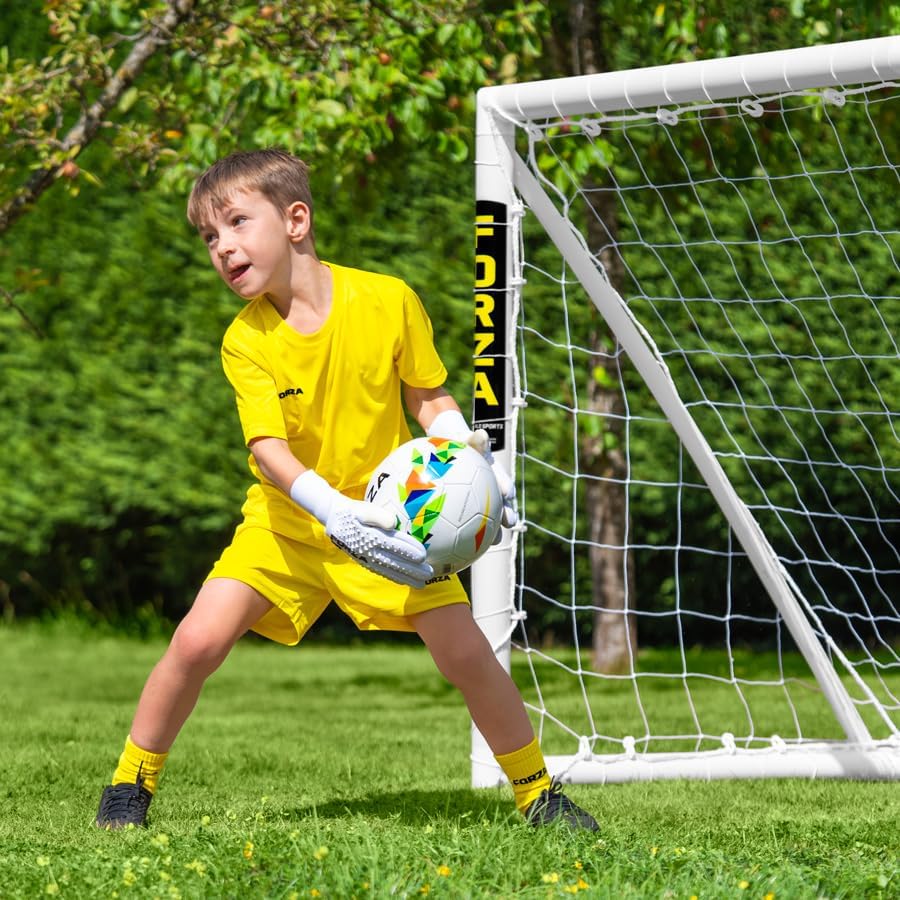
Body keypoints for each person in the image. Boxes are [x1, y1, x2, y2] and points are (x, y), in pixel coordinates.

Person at [94, 148, 597, 832]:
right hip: (289, 526)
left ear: (295, 219)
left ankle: (539, 795)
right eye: (210, 236)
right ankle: (129, 787)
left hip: (391, 526)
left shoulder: (388, 299)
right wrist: (331, 509)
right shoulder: (244, 342)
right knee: (195, 642)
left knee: (466, 655)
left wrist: (473, 456)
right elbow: (267, 449)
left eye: (237, 222)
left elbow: (428, 396)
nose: (222, 246)